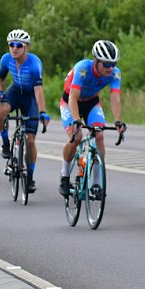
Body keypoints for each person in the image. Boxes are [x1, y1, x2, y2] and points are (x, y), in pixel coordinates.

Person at [58, 40, 127, 197]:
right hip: (70, 101)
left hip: (91, 102)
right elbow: (73, 98)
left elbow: (115, 98)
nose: (110, 68)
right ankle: (64, 175)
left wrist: (118, 121)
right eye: (106, 64)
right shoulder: (82, 68)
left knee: (99, 135)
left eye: (113, 64)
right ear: (96, 61)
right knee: (76, 137)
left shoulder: (115, 73)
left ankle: (96, 183)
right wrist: (76, 120)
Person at [0, 29, 49, 193]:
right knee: (1, 110)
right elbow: (0, 78)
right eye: (11, 45)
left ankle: (30, 177)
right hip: (15, 92)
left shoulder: (34, 64)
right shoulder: (6, 59)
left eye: (19, 45)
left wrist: (42, 111)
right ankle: (5, 143)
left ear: (27, 47)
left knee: (30, 140)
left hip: (30, 96)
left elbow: (38, 90)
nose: (14, 48)